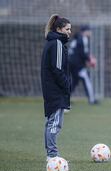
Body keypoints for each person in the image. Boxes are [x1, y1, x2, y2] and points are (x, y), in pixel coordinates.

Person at [41, 14, 71, 161]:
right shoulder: (57, 44)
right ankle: (52, 154)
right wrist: (67, 85)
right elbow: (57, 69)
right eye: (67, 29)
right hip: (56, 90)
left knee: (51, 122)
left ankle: (50, 153)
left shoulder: (52, 42)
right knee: (55, 123)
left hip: (50, 89)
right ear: (59, 29)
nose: (69, 32)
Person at [68, 25, 98, 105]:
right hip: (77, 64)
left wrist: (87, 59)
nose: (91, 32)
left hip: (70, 63)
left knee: (74, 81)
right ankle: (92, 100)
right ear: (85, 32)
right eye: (89, 31)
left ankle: (65, 99)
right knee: (86, 78)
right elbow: (82, 53)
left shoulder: (76, 38)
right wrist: (90, 60)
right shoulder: (83, 38)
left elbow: (78, 52)